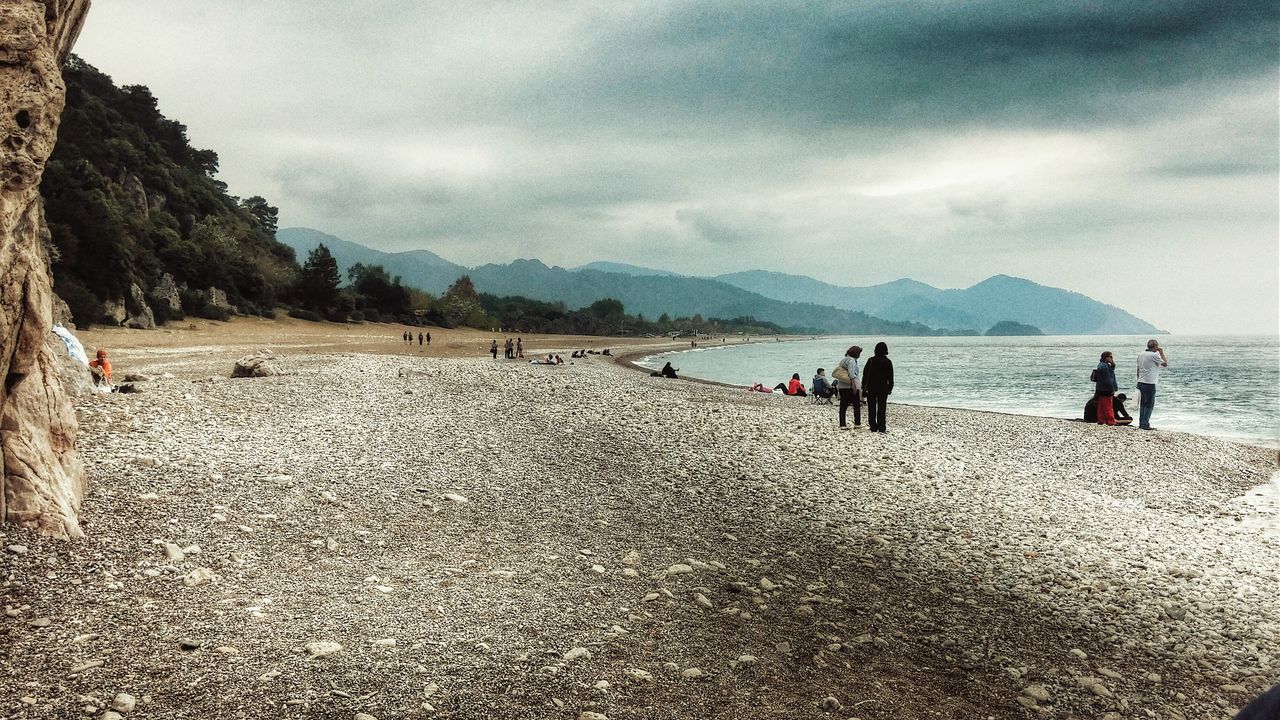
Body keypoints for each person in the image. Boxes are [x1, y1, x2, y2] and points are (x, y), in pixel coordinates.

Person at [861, 342, 893, 433]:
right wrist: (890, 388)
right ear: (886, 350)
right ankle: (882, 427)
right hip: (883, 388)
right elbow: (890, 377)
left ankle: (873, 426)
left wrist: (864, 387)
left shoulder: (871, 360)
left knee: (871, 407)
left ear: (875, 350)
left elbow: (865, 374)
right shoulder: (888, 362)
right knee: (882, 408)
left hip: (871, 387)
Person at [1136, 339, 1168, 430]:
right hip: (1149, 382)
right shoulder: (1153, 355)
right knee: (1149, 404)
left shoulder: (1141, 354)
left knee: (1143, 403)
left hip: (1141, 381)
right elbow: (1165, 364)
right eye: (1157, 346)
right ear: (1155, 346)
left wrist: (1138, 380)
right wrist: (1161, 353)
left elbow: (1138, 368)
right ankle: (1145, 423)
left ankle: (1141, 422)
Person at [834, 345, 862, 429]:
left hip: (842, 385)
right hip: (849, 385)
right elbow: (852, 374)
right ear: (856, 353)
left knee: (843, 405)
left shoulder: (843, 360)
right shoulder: (852, 361)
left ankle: (842, 424)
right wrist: (853, 385)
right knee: (856, 404)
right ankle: (857, 423)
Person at [1093, 351, 1118, 425]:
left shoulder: (1102, 365)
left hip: (1100, 388)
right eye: (1110, 357)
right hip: (1106, 389)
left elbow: (1111, 371)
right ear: (1106, 357)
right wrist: (1112, 388)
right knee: (1108, 405)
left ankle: (1101, 419)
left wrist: (1113, 364)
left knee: (1101, 405)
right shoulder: (1104, 366)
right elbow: (1108, 379)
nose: (1111, 358)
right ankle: (1111, 421)